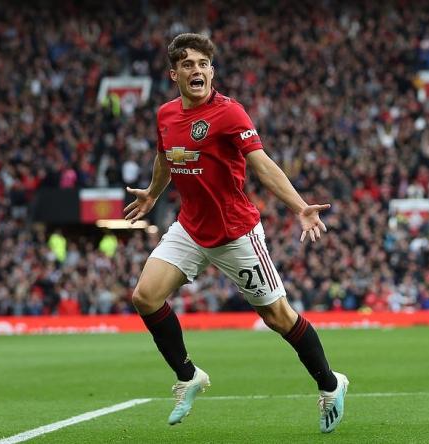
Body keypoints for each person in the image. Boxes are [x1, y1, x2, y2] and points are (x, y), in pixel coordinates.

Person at [124, 33, 349, 434]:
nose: (197, 70)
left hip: (235, 234)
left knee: (278, 317)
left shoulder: (229, 113)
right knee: (145, 296)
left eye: (203, 64)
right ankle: (189, 376)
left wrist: (299, 207)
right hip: (190, 228)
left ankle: (331, 385)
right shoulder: (165, 114)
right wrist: (154, 193)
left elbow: (261, 164)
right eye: (188, 65)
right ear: (174, 74)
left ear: (212, 71)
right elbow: (165, 157)